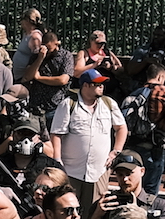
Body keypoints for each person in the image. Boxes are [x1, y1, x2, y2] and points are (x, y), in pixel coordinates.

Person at [48, 68, 126, 206]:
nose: (101, 86)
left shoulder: (109, 104)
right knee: (68, 208)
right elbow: (56, 134)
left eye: (102, 83)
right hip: (71, 171)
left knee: (95, 210)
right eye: (97, 84)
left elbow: (121, 128)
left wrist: (115, 152)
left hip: (99, 171)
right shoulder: (68, 104)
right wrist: (58, 161)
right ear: (85, 85)